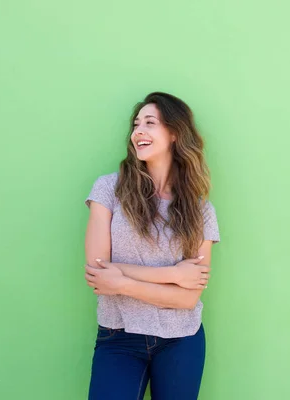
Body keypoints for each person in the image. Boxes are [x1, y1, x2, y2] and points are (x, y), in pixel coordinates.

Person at [83, 92, 220, 400]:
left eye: (150, 123)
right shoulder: (108, 189)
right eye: (136, 124)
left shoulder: (200, 210)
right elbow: (98, 275)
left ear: (174, 133)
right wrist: (174, 274)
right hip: (119, 337)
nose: (138, 131)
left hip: (182, 339)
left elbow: (187, 299)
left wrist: (121, 281)